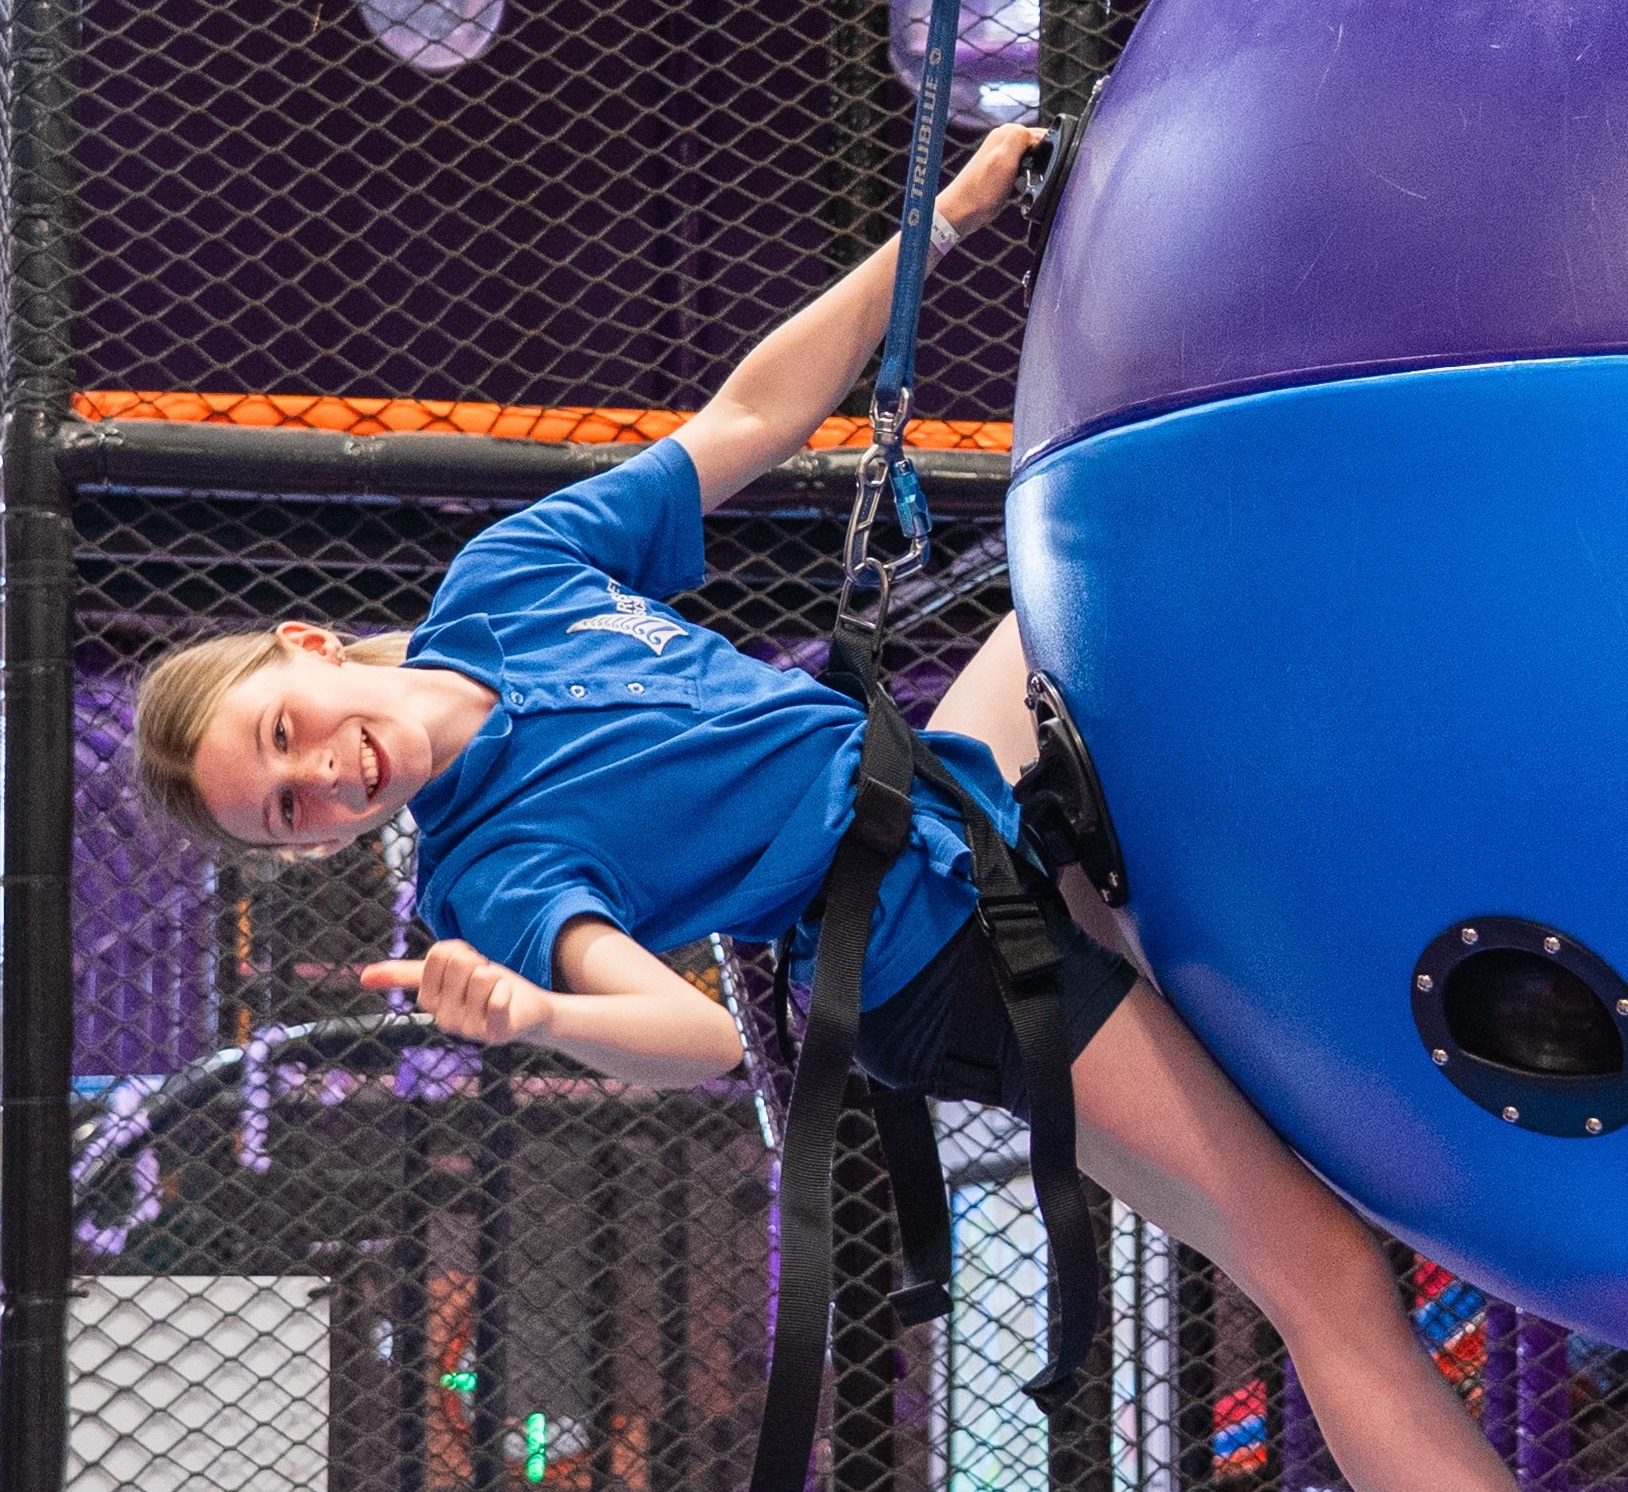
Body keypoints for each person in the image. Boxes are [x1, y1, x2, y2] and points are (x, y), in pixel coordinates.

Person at [135, 125, 1516, 1492]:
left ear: (305, 648)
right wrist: (538, 1014)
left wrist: (942, 229)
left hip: (942, 792)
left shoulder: (506, 585)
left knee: (1119, 558)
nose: (322, 783)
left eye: (283, 741)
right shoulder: (489, 875)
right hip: (936, 961)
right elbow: (696, 1036)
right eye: (288, 815)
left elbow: (745, 417)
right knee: (1324, 1274)